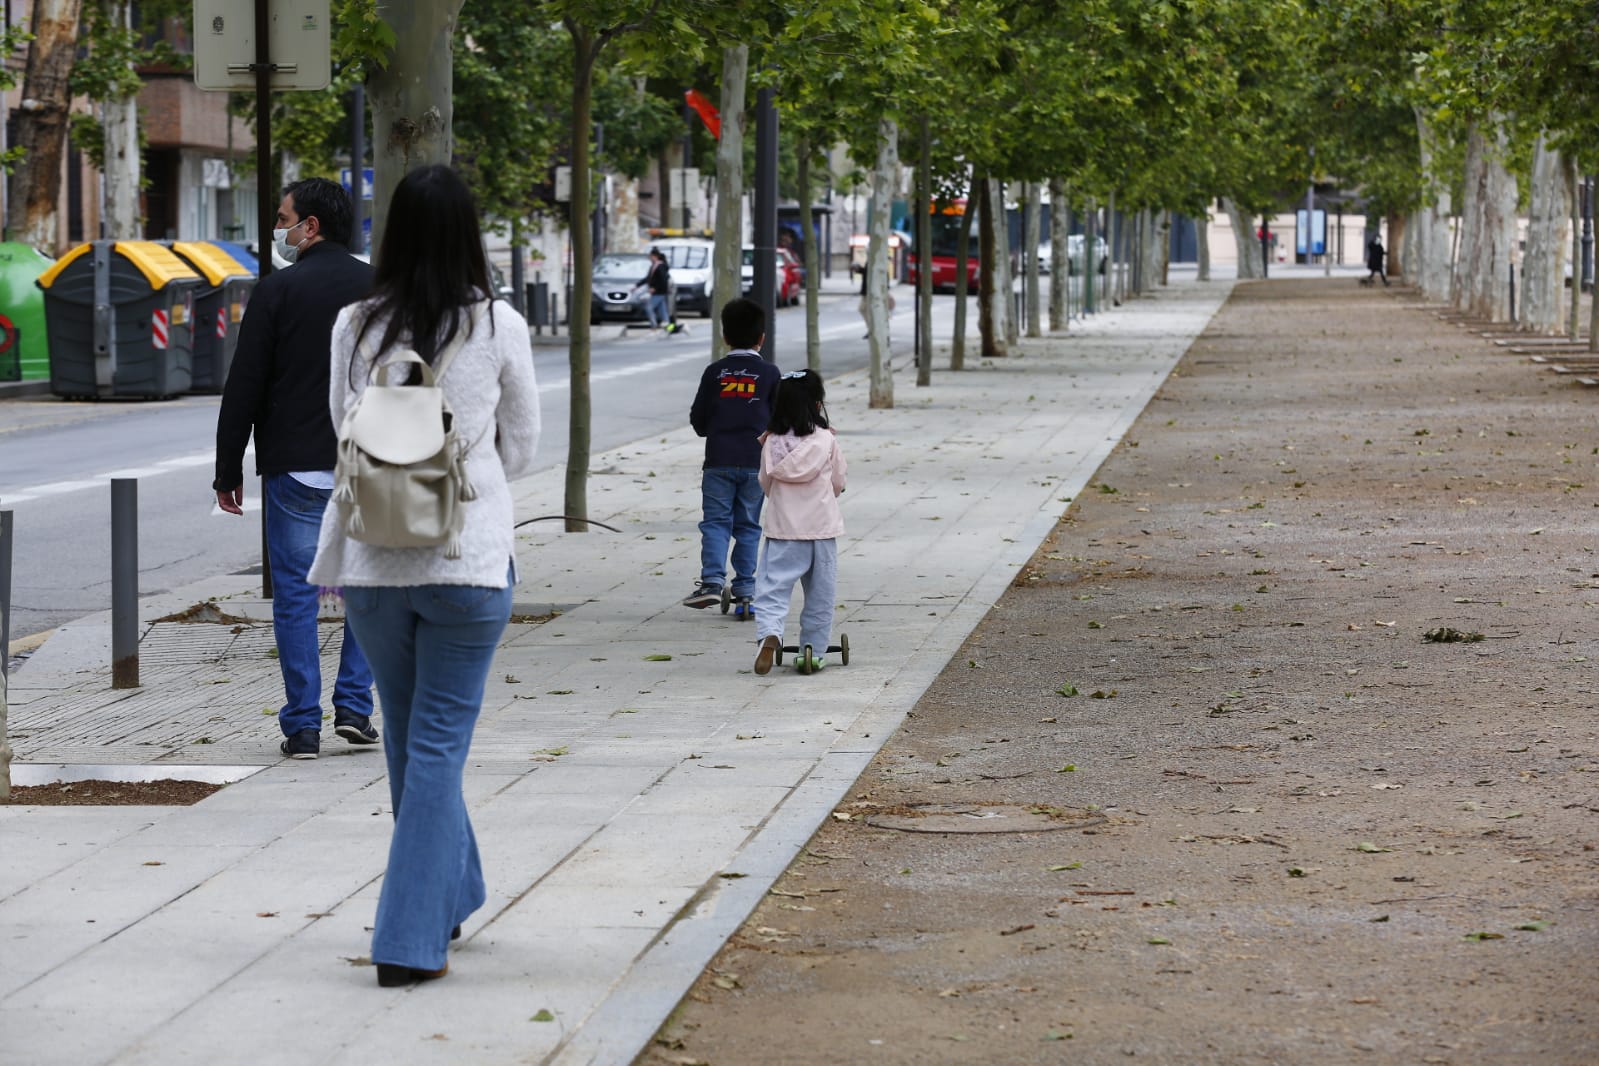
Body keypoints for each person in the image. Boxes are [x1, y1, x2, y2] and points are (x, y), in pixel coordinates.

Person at [307, 164, 541, 988]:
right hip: (466, 562)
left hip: (372, 561)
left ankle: (454, 890)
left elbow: (345, 426)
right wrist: (466, 477)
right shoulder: (497, 325)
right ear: (469, 234)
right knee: (435, 747)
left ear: (393, 233)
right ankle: (407, 940)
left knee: (409, 742)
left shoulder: (354, 324)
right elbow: (523, 443)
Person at [213, 177, 377, 761]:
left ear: (310, 226)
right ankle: (355, 706)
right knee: (366, 590)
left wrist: (227, 468)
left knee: (295, 599)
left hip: (296, 469)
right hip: (369, 465)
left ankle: (302, 725)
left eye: (283, 218)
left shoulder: (277, 292)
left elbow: (245, 385)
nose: (278, 229)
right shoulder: (380, 287)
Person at [685, 297, 780, 611]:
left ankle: (711, 582)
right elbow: (779, 420)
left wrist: (712, 429)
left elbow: (698, 419)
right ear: (761, 338)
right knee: (749, 525)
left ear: (724, 336)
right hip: (755, 463)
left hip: (718, 461)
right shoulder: (769, 374)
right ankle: (745, 589)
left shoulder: (714, 372)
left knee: (715, 522)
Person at [752, 368, 847, 674]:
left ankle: (770, 633)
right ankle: (814, 651)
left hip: (783, 530)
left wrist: (780, 498)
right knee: (821, 593)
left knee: (772, 588)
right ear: (818, 404)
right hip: (821, 528)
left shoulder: (771, 442)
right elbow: (837, 481)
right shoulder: (826, 441)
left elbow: (765, 482)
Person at [639, 247, 673, 333]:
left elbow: (663, 280)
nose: (650, 259)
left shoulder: (660, 266)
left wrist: (655, 288)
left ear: (655, 256)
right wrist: (637, 285)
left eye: (650, 257)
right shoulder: (654, 266)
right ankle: (670, 328)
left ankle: (653, 326)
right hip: (658, 292)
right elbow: (648, 278)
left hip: (659, 292)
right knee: (663, 312)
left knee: (649, 307)